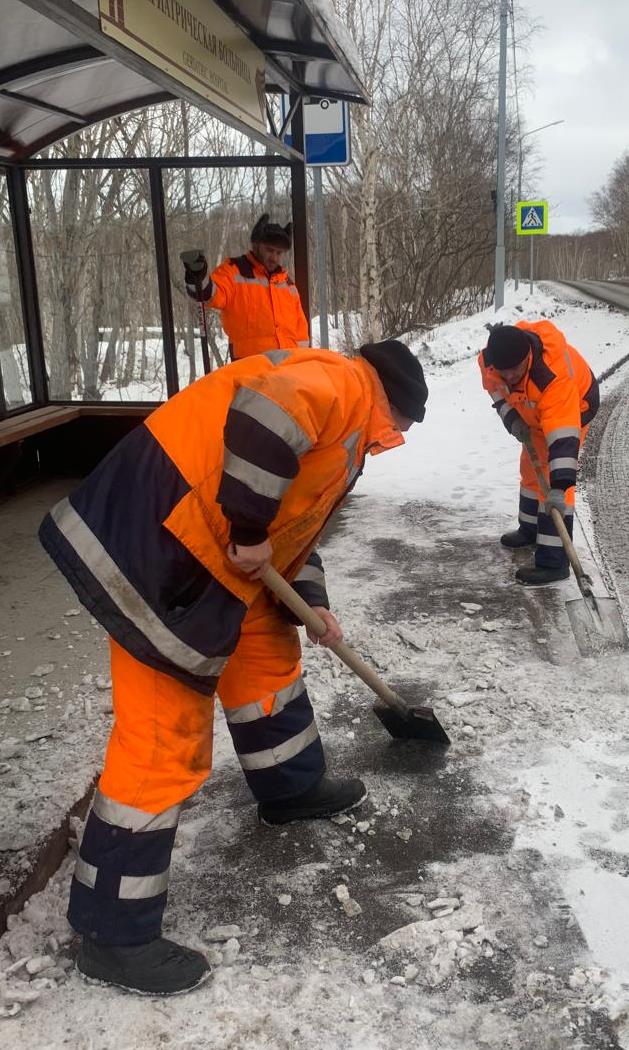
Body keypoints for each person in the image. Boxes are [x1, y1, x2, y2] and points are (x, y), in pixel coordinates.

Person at [39, 340, 428, 996]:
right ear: (396, 407)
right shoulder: (341, 386)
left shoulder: (345, 421)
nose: (394, 441)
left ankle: (290, 787)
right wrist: (248, 531)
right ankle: (112, 934)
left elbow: (292, 528)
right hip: (155, 552)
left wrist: (313, 608)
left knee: (269, 653)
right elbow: (265, 420)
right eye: (400, 431)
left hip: (207, 556)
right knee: (165, 743)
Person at [479, 320, 599, 586]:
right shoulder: (490, 360)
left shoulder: (552, 377)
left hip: (575, 406)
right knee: (530, 469)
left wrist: (560, 484)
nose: (509, 377)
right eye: (503, 371)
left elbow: (563, 439)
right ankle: (530, 529)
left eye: (515, 370)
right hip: (531, 410)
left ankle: (554, 562)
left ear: (528, 358)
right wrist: (512, 418)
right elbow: (496, 390)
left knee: (551, 475)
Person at [183, 213, 309, 361]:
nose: (274, 257)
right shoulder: (235, 271)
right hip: (249, 368)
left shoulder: (286, 283)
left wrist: (303, 361)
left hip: (288, 368)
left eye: (278, 252)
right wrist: (197, 275)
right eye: (269, 250)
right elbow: (209, 294)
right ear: (256, 246)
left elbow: (301, 331)